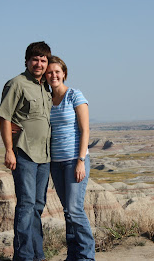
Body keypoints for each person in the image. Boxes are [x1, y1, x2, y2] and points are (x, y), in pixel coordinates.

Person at [0, 41, 52, 261]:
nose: (39, 64)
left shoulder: (45, 87)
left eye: (43, 60)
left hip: (45, 156)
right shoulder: (16, 84)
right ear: (27, 61)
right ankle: (24, 256)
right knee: (26, 205)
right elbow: (4, 116)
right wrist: (9, 150)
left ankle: (38, 255)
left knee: (37, 206)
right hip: (25, 153)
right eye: (35, 59)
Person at [45, 56, 95, 261]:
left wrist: (81, 161)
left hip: (75, 160)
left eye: (57, 71)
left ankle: (86, 256)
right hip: (56, 163)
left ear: (64, 73)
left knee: (74, 209)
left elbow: (85, 130)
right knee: (67, 211)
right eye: (50, 72)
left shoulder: (74, 95)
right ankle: (73, 255)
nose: (54, 75)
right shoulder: (47, 99)